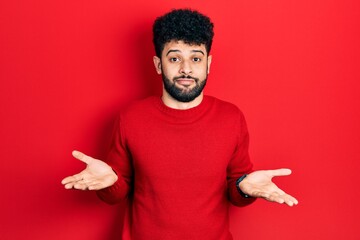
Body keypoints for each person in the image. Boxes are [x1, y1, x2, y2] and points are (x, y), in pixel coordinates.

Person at [62, 8, 298, 240]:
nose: (186, 69)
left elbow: (235, 193)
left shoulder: (231, 117)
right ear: (158, 64)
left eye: (196, 58)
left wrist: (245, 188)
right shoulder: (130, 117)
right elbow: (116, 193)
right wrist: (110, 182)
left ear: (208, 63)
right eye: (175, 58)